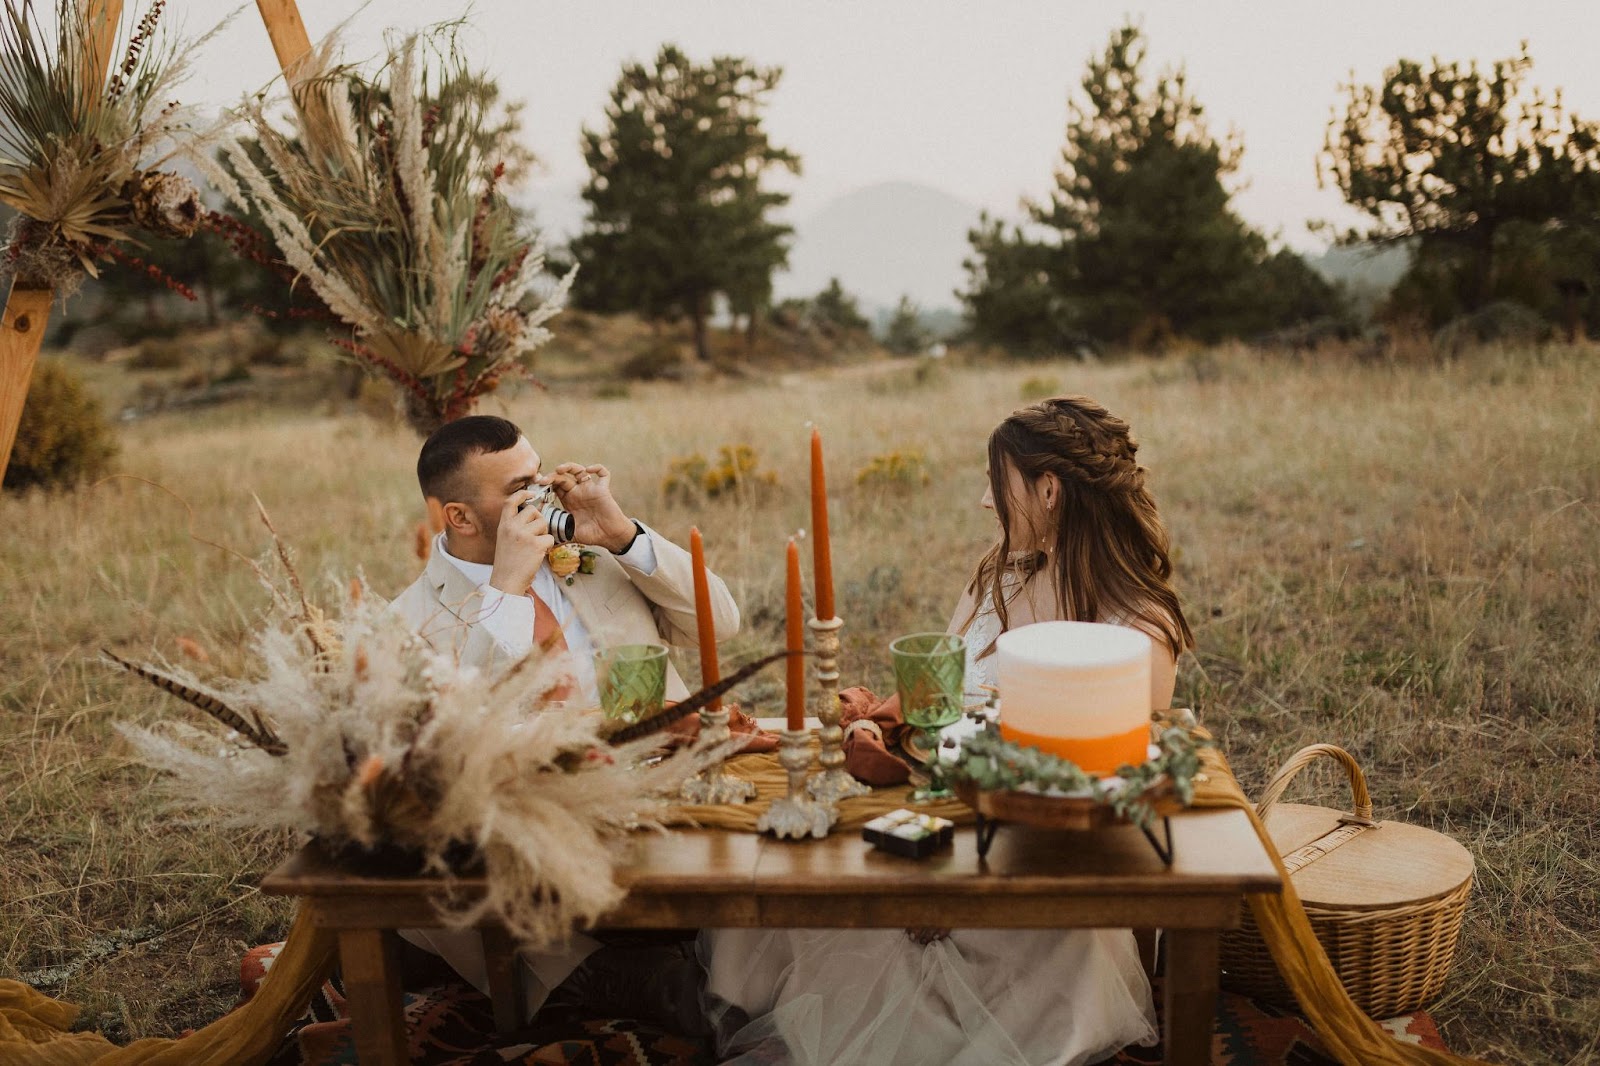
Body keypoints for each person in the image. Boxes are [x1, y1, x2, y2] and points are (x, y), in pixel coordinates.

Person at [700, 395, 1195, 1065]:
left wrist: (956, 871)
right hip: (942, 812)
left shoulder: (1139, 629)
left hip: (1048, 860)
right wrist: (885, 715)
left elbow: (1102, 788)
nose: (985, 504)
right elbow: (945, 698)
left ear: (1049, 490)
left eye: (999, 485)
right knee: (785, 876)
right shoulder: (998, 576)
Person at [390, 414, 740, 1035]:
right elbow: (453, 741)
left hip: (665, 794)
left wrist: (623, 532)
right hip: (533, 829)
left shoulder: (591, 559)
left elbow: (722, 624)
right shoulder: (405, 622)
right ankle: (590, 973)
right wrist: (505, 589)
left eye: (540, 475)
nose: (544, 495)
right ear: (461, 518)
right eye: (520, 489)